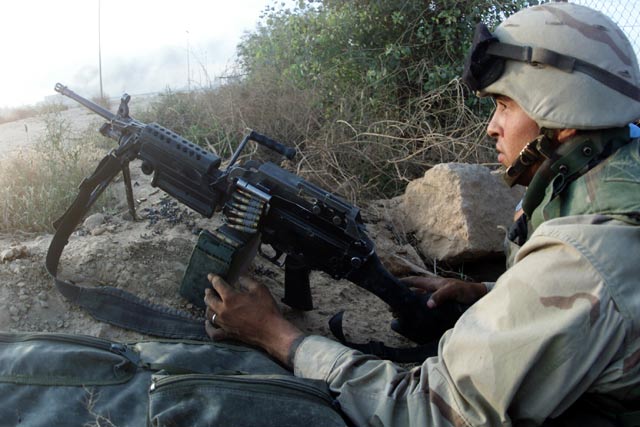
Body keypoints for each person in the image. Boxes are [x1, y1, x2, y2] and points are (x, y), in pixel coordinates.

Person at [204, 3, 640, 426]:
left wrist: (274, 334)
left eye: (504, 105)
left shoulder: (588, 252)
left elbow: (429, 410)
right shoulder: (609, 175)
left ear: (560, 113)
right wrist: (488, 292)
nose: (492, 126)